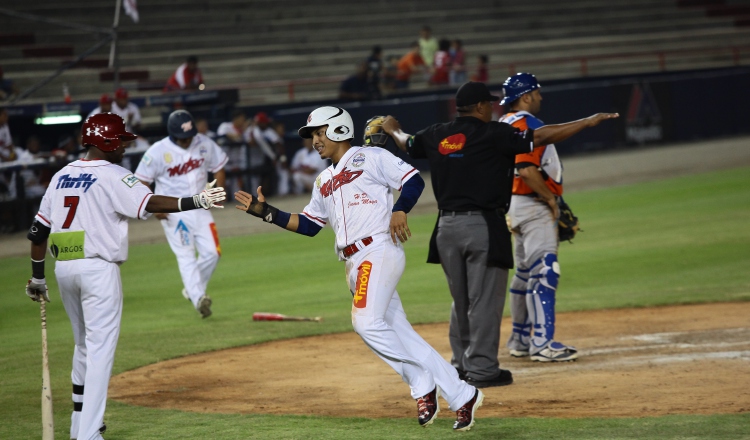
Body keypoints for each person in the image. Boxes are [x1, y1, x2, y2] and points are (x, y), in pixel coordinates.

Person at [234, 106, 485, 432]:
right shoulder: (323, 179)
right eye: (312, 135)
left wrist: (400, 210)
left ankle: (421, 383)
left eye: (319, 132)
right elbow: (310, 225)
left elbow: (412, 181)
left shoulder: (372, 156)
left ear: (338, 129)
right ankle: (462, 394)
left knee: (365, 321)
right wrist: (266, 212)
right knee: (400, 334)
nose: (314, 141)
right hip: (354, 263)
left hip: (378, 250)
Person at [381, 81, 618, 388]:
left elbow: (406, 142)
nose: (494, 109)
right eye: (489, 105)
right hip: (482, 227)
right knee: (484, 302)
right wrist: (587, 121)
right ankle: (482, 370)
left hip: (446, 229)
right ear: (479, 107)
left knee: (461, 300)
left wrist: (391, 128)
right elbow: (543, 135)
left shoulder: (437, 134)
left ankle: (461, 365)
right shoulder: (495, 135)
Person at [25, 112, 225, 440]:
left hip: (63, 270)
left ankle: (79, 425)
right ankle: (89, 434)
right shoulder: (114, 174)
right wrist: (197, 200)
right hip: (98, 269)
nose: (124, 147)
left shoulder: (61, 175)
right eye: (121, 141)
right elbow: (151, 202)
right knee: (101, 350)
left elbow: (38, 232)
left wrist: (37, 279)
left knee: (83, 347)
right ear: (106, 142)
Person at [498, 73, 578, 362]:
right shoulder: (528, 124)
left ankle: (519, 338)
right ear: (526, 96)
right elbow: (526, 169)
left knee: (523, 273)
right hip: (531, 204)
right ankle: (542, 342)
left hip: (511, 206)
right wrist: (549, 199)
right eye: (537, 93)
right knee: (545, 271)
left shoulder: (502, 124)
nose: (541, 98)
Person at [134, 110, 228, 318]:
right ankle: (198, 298)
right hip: (173, 211)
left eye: (189, 135)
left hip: (201, 206)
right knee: (185, 255)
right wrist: (154, 207)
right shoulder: (157, 151)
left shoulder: (203, 142)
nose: (187, 140)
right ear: (172, 133)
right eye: (183, 137)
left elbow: (219, 166)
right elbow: (140, 181)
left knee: (213, 252)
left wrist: (219, 190)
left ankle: (192, 288)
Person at [247, 112, 283, 194]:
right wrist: (273, 157)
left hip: (261, 159)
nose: (266, 124)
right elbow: (253, 142)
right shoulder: (252, 130)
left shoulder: (267, 131)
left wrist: (277, 157)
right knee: (252, 182)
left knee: (260, 181)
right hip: (248, 160)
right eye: (263, 123)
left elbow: (279, 143)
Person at [216, 109, 250, 195]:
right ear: (236, 119)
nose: (243, 121)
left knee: (236, 190)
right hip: (224, 163)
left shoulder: (244, 130)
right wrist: (235, 135)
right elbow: (221, 136)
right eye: (242, 119)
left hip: (236, 163)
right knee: (224, 188)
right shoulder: (225, 126)